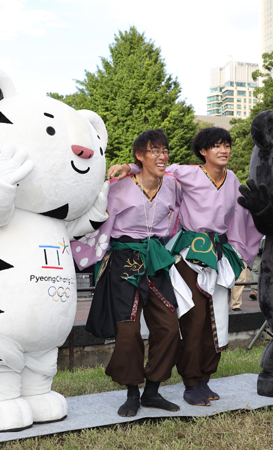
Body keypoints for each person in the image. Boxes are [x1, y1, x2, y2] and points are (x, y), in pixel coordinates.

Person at [109, 126, 262, 407]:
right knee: (192, 320)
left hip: (216, 255)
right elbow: (154, 170)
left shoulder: (232, 180)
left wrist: (241, 249)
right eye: (216, 145)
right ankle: (188, 382)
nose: (224, 150)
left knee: (216, 319)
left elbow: (241, 218)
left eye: (227, 145)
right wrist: (129, 165)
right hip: (186, 255)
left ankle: (202, 379)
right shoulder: (186, 174)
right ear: (203, 151)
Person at [72, 129, 182, 418]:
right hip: (124, 259)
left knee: (169, 326)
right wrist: (126, 169)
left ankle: (153, 390)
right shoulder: (119, 186)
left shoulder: (172, 185)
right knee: (128, 329)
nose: (162, 156)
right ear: (139, 156)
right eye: (154, 151)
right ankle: (132, 392)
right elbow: (94, 209)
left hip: (156, 257)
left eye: (164, 150)